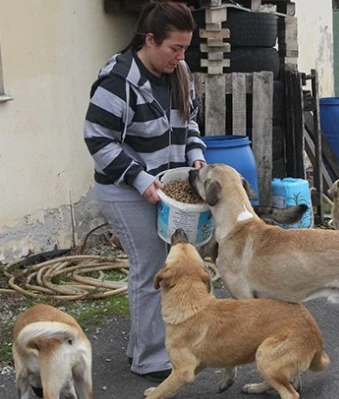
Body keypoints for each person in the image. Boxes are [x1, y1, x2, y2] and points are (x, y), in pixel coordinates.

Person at [83, 1, 206, 382]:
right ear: (149, 40)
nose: (181, 56)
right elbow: (98, 139)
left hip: (167, 187)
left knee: (173, 265)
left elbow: (191, 124)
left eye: (185, 48)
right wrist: (139, 178)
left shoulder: (179, 72)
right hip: (124, 189)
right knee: (151, 268)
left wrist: (197, 158)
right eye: (174, 48)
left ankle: (144, 346)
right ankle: (150, 359)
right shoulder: (118, 80)